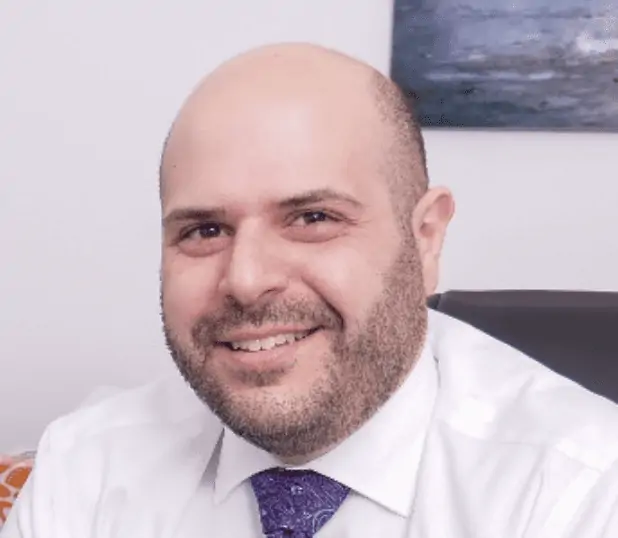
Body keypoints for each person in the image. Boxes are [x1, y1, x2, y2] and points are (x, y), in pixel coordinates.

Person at [4, 42, 618, 538]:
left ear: (426, 236)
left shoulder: (581, 492)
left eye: (313, 219)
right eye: (205, 229)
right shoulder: (87, 468)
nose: (245, 280)